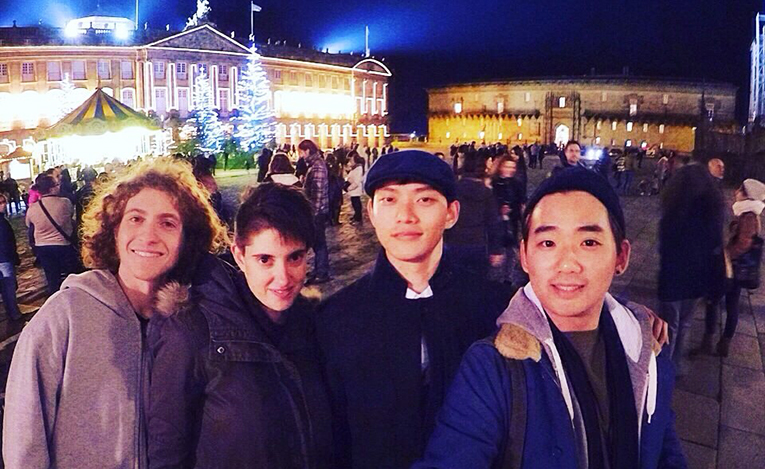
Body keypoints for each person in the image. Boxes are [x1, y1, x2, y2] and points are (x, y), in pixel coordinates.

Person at [415, 166, 685, 469]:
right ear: (526, 256)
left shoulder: (648, 350)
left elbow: (662, 447)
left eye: (589, 242)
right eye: (547, 243)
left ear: (621, 256)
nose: (567, 264)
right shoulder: (493, 368)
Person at [3, 158, 227, 468]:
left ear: (187, 239)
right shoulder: (64, 316)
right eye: (135, 218)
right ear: (114, 229)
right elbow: (24, 437)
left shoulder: (197, 325)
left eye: (167, 222)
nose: (148, 235)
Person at [316, 150, 513, 468]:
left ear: (451, 213)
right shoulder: (335, 320)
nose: (405, 216)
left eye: (424, 200)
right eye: (390, 200)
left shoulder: (495, 311)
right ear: (372, 211)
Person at [148, 183, 332, 468]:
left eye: (294, 257)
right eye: (265, 260)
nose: (282, 278)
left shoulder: (311, 324)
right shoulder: (192, 331)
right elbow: (166, 452)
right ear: (239, 255)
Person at [659, 161, 725, 375]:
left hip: (673, 275)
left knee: (669, 324)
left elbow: (665, 245)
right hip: (698, 277)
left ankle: (664, 366)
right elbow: (715, 244)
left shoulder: (674, 211)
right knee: (685, 323)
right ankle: (675, 364)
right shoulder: (712, 211)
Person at [695, 179, 765, 357]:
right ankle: (720, 344)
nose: (736, 190)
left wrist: (724, 254)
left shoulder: (749, 215)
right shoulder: (745, 211)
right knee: (729, 304)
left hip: (731, 269)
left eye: (741, 189)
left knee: (715, 302)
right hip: (733, 268)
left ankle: (713, 343)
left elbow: (743, 243)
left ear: (748, 194)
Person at [444, 150, 503, 278]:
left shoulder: (452, 190)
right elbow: (492, 222)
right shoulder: (486, 192)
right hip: (477, 244)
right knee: (476, 283)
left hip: (453, 243)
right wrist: (495, 250)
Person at [25, 173, 80, 294]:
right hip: (63, 244)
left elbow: (29, 225)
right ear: (51, 188)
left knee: (51, 278)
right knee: (70, 276)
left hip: (43, 247)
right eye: (56, 185)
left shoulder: (33, 208)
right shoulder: (65, 203)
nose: (59, 187)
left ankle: (55, 298)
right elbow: (70, 217)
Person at [490, 154, 527, 284]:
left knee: (511, 250)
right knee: (497, 249)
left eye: (512, 167)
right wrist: (499, 209)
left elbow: (522, 201)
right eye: (507, 166)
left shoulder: (516, 183)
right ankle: (494, 279)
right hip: (496, 222)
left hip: (512, 221)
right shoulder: (493, 183)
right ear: (500, 166)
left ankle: (507, 278)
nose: (510, 169)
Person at [300, 139, 331, 284]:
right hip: (317, 211)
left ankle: (322, 273)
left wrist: (314, 213)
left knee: (319, 244)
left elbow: (318, 192)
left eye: (301, 152)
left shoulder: (317, 166)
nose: (301, 155)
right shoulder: (314, 165)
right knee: (317, 243)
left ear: (307, 151)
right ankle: (319, 269)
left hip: (317, 212)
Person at [0, 194, 22, 321]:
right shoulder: (2, 223)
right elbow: (6, 243)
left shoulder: (3, 220)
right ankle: (14, 314)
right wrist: (13, 257)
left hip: (5, 258)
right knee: (9, 289)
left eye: (4, 202)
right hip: (4, 259)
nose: (3, 205)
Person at [346, 153, 365, 225]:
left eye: (352, 160)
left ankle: (358, 218)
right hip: (353, 190)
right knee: (354, 204)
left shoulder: (358, 169)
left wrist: (348, 188)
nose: (350, 162)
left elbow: (356, 182)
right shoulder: (355, 168)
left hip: (355, 190)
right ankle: (356, 216)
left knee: (357, 205)